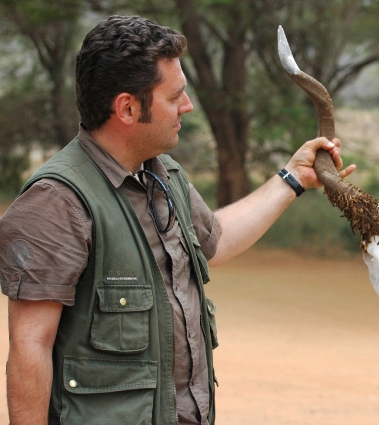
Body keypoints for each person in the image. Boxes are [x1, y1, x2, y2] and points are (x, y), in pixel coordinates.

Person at [0, 15, 354, 425]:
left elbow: (215, 240)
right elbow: (30, 348)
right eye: (175, 97)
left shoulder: (163, 174)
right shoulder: (55, 202)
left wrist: (292, 179)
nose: (187, 106)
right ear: (128, 108)